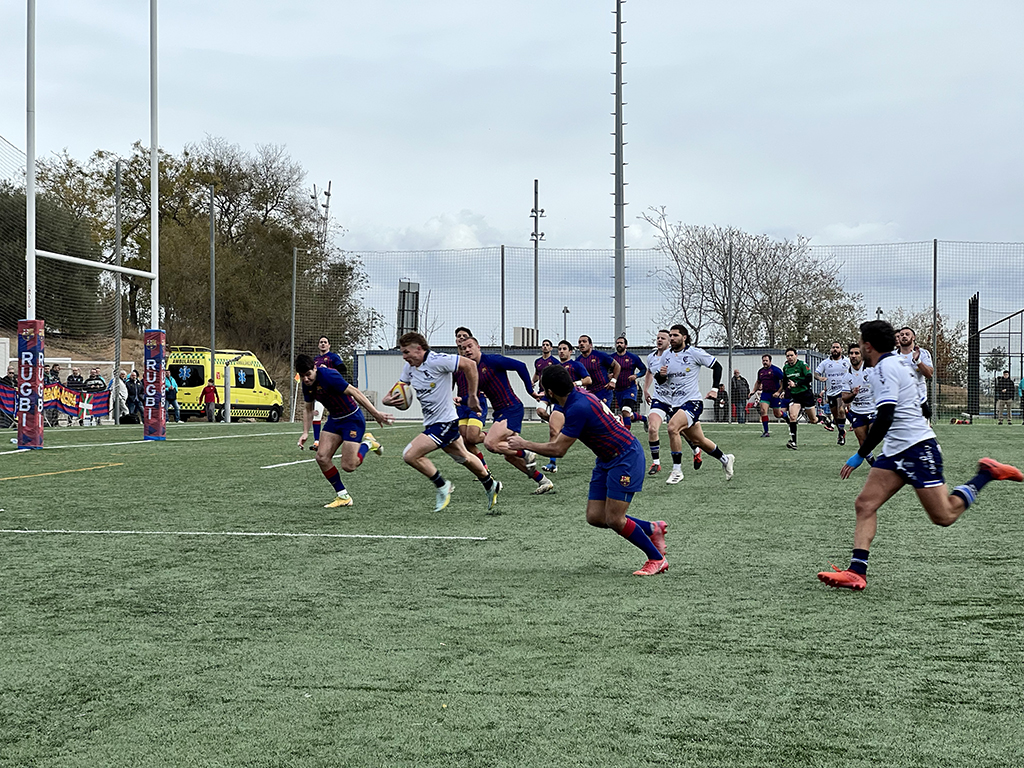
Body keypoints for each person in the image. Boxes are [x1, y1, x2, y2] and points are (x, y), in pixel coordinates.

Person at [818, 320, 1023, 591]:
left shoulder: (886, 368)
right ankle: (857, 571)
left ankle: (986, 474)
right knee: (865, 504)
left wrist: (860, 454)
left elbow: (886, 415)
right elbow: (920, 404)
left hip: (917, 450)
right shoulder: (900, 364)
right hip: (895, 450)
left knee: (945, 516)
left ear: (867, 346)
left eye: (860, 343)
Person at [508, 364, 669, 576]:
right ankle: (651, 529)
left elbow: (558, 449)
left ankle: (657, 559)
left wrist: (523, 444)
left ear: (549, 392)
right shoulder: (575, 397)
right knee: (595, 517)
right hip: (606, 459)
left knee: (614, 519)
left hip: (625, 458)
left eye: (543, 390)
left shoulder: (577, 407)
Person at [383, 332, 501, 513]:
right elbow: (391, 394)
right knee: (464, 457)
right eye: (402, 352)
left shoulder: (438, 360)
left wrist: (472, 396)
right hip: (432, 423)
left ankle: (442, 486)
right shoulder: (410, 368)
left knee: (410, 455)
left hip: (445, 422)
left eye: (407, 352)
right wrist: (388, 401)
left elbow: (469, 365)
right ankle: (490, 483)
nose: (404, 357)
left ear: (419, 349)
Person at [458, 335, 553, 495]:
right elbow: (473, 395)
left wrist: (530, 391)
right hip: (501, 412)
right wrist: (461, 399)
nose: (467, 350)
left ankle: (526, 452)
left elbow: (521, 366)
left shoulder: (492, 360)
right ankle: (543, 481)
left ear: (478, 347)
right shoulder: (471, 371)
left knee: (490, 443)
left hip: (512, 408)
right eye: (463, 348)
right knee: (509, 456)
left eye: (469, 346)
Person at [295, 353, 391, 507]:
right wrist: (305, 432)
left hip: (352, 419)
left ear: (315, 368)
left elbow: (355, 392)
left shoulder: (328, 376)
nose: (306, 379)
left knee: (349, 466)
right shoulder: (307, 385)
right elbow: (308, 409)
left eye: (308, 374)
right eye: (302, 376)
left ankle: (368, 444)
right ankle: (343, 496)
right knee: (321, 457)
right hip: (335, 420)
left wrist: (376, 413)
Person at [654, 324, 735, 484]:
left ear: (684, 337)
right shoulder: (666, 356)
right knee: (699, 441)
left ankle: (677, 470)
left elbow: (717, 366)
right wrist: (660, 375)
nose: (672, 338)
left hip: (692, 402)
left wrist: (714, 389)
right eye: (670, 335)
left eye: (675, 335)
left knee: (672, 427)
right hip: (676, 405)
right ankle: (726, 459)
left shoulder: (694, 353)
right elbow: (661, 380)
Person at [540, 341, 592, 473]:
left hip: (575, 404)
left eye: (564, 349)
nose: (561, 351)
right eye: (559, 349)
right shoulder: (555, 367)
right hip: (559, 404)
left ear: (570, 351)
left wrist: (576, 383)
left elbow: (588, 380)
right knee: (553, 431)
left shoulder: (576, 365)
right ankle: (552, 463)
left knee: (589, 434)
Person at [453, 327, 489, 469]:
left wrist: (486, 390)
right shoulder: (453, 363)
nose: (461, 338)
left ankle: (492, 435)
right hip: (462, 405)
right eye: (459, 336)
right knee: (466, 441)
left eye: (465, 336)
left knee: (473, 436)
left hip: (476, 401)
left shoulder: (476, 360)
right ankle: (484, 469)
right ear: (456, 340)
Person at [776, 348, 820, 450]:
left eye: (791, 355)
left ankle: (823, 419)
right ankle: (793, 441)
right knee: (793, 416)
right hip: (795, 396)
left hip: (806, 394)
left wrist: (796, 384)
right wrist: (782, 391)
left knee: (813, 420)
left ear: (796, 355)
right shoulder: (786, 368)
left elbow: (809, 378)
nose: (790, 357)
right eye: (788, 356)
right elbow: (786, 381)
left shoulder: (802, 365)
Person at [840, 342, 876, 464]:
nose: (853, 356)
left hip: (873, 410)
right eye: (851, 353)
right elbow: (844, 398)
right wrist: (853, 394)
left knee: (874, 435)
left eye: (857, 353)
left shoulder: (871, 370)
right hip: (857, 412)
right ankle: (874, 465)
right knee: (863, 443)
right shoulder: (846, 376)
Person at [309, 335, 348, 450]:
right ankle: (317, 441)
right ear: (318, 345)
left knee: (341, 416)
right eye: (321, 342)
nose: (323, 344)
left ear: (329, 345)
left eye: (325, 342)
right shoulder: (315, 360)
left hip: (334, 393)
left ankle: (347, 439)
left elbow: (343, 370)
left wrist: (328, 369)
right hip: (321, 393)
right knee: (316, 415)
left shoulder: (333, 357)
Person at [815, 341, 850, 445]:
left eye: (837, 347)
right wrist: (819, 377)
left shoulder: (847, 361)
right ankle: (841, 432)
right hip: (831, 393)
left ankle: (841, 434)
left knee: (841, 410)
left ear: (841, 350)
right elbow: (816, 373)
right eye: (833, 347)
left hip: (843, 391)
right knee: (835, 416)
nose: (835, 349)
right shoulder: (826, 363)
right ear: (831, 350)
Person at [896, 326, 933, 419]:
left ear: (913, 337)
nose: (904, 336)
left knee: (920, 432)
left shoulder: (923, 353)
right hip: (899, 401)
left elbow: (929, 374)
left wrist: (918, 361)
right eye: (901, 335)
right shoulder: (892, 356)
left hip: (919, 400)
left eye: (907, 334)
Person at [610, 336, 647, 430]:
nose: (619, 344)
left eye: (621, 343)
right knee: (626, 414)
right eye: (617, 343)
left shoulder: (633, 357)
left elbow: (643, 369)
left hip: (630, 388)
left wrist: (636, 375)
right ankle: (644, 418)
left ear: (626, 345)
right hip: (618, 390)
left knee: (625, 410)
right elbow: (605, 371)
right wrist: (609, 375)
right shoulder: (611, 358)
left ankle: (626, 435)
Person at [576, 335, 620, 407]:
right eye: (579, 342)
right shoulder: (578, 361)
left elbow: (617, 366)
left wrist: (613, 381)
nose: (581, 343)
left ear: (590, 345)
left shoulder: (600, 355)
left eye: (584, 341)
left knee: (603, 413)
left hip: (604, 390)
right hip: (589, 393)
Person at [751, 354, 788, 437]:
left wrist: (779, 392)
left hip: (775, 394)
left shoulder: (776, 370)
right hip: (765, 394)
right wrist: (753, 391)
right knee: (763, 410)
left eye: (766, 361)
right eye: (763, 361)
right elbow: (758, 382)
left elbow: (783, 381)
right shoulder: (761, 372)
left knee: (777, 414)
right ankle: (766, 431)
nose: (764, 362)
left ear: (770, 361)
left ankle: (786, 417)